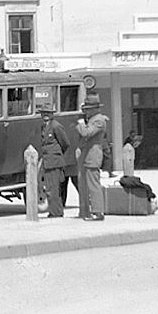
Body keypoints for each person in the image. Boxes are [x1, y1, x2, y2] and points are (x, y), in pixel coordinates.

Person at [76, 93, 108, 221]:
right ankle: (86, 211)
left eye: (88, 109)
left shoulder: (99, 120)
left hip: (93, 155)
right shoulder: (92, 120)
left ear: (95, 109)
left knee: (93, 185)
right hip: (86, 156)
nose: (86, 112)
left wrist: (81, 124)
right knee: (84, 185)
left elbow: (86, 133)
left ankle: (98, 212)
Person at [38, 106, 71, 218]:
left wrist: (57, 155)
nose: (45, 115)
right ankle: (54, 210)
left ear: (52, 114)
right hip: (48, 161)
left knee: (54, 188)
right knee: (49, 188)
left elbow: (65, 143)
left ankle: (56, 212)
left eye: (48, 113)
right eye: (43, 113)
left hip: (54, 161)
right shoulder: (43, 126)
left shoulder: (56, 126)